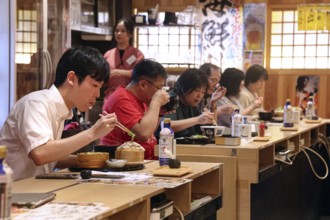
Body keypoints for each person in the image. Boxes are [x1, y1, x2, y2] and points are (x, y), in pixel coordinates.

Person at [0, 46, 117, 181]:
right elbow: (41, 154)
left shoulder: (61, 109)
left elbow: (52, 157)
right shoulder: (36, 103)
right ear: (72, 78)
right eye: (94, 86)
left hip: (35, 191)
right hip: (10, 194)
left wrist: (90, 160)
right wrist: (93, 133)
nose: (97, 94)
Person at [100, 59, 170, 159]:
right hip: (125, 163)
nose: (161, 92)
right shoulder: (121, 98)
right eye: (159, 88)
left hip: (143, 161)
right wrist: (156, 102)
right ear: (143, 85)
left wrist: (159, 113)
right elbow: (143, 134)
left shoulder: (143, 99)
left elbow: (149, 131)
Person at [163, 68, 217, 138]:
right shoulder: (170, 99)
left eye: (203, 92)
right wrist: (197, 120)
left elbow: (209, 128)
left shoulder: (191, 104)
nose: (199, 96)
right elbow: (166, 126)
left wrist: (209, 118)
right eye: (196, 90)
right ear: (184, 86)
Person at [103, 18, 144, 100]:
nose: (119, 33)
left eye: (123, 31)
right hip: (111, 96)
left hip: (131, 96)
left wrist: (121, 72)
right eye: (116, 30)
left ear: (130, 34)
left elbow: (141, 75)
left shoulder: (137, 54)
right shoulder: (108, 54)